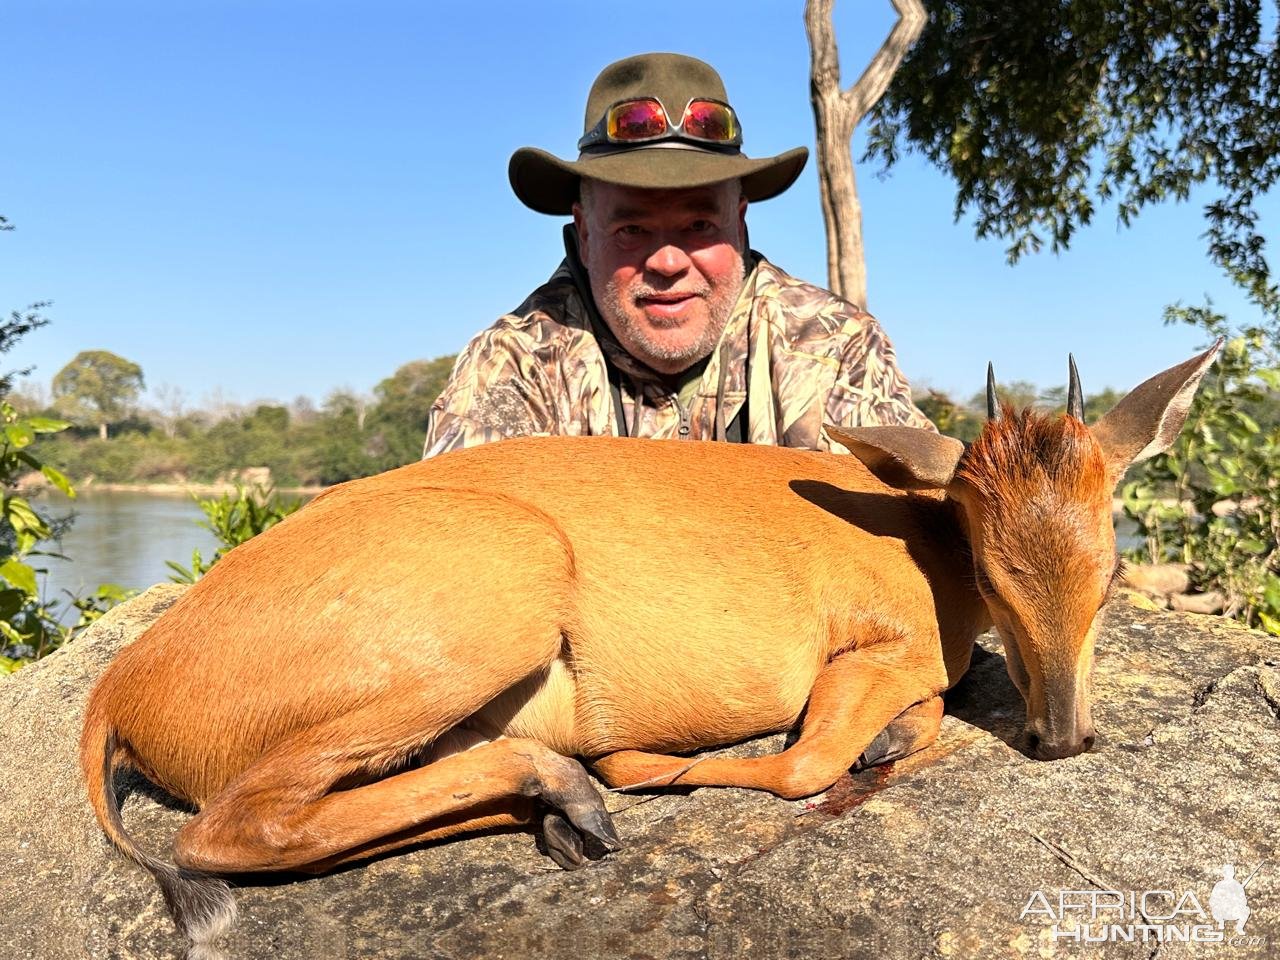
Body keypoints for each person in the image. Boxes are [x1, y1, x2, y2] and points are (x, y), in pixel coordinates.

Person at [423, 52, 932, 458]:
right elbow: (463, 549)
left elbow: (909, 535)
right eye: (631, 228)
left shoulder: (835, 349)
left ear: (739, 223)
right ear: (583, 233)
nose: (667, 263)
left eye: (698, 225)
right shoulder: (516, 364)